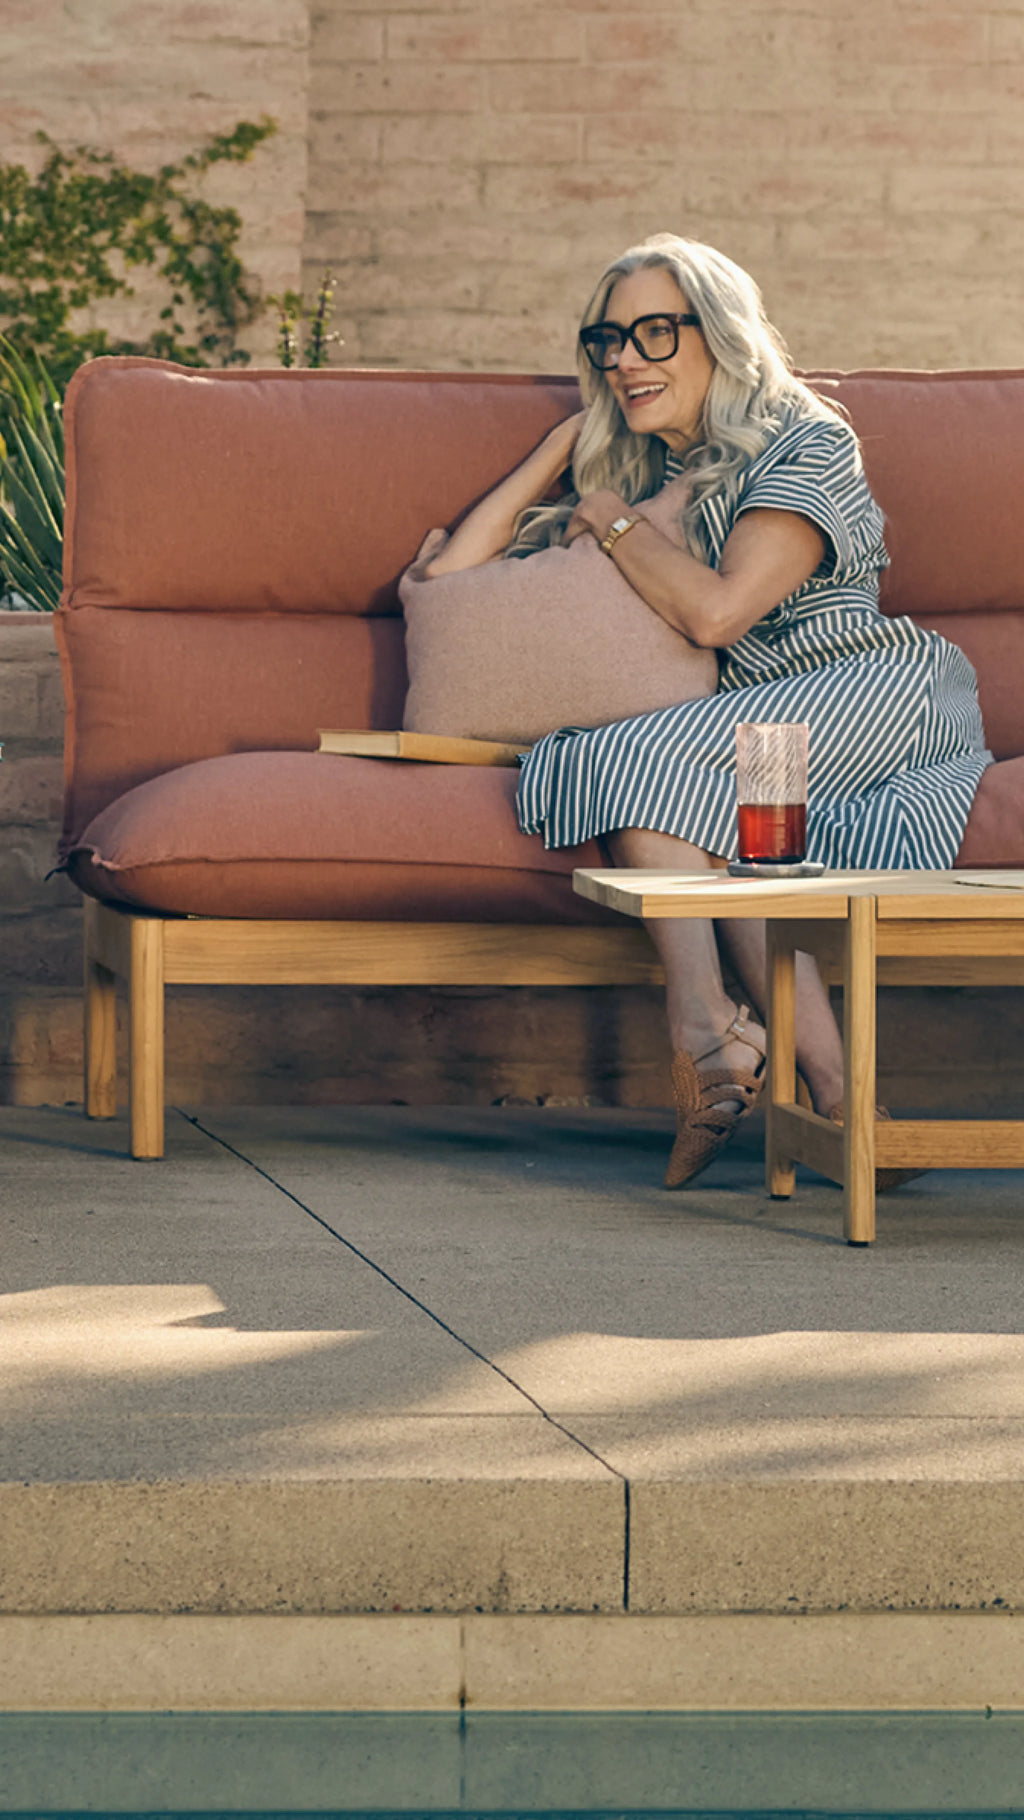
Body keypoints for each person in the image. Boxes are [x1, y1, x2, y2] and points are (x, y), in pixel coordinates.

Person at [418, 233, 993, 1189]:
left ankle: (708, 1028)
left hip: (876, 690)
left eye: (654, 332)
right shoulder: (645, 473)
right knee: (692, 802)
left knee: (628, 758)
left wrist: (603, 518)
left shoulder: (805, 441)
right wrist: (558, 450)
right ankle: (837, 1097)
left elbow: (719, 609)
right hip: (755, 727)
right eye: (608, 341)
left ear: (720, 334)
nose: (625, 361)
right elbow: (447, 582)